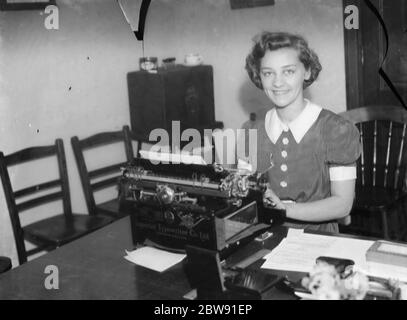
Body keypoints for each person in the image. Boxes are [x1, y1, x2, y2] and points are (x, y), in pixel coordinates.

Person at [240, 31, 361, 233]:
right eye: (268, 73)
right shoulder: (251, 131)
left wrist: (284, 209)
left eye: (288, 71)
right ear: (258, 76)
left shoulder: (337, 130)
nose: (277, 83)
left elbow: (343, 205)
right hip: (264, 236)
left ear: (306, 72)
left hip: (318, 240)